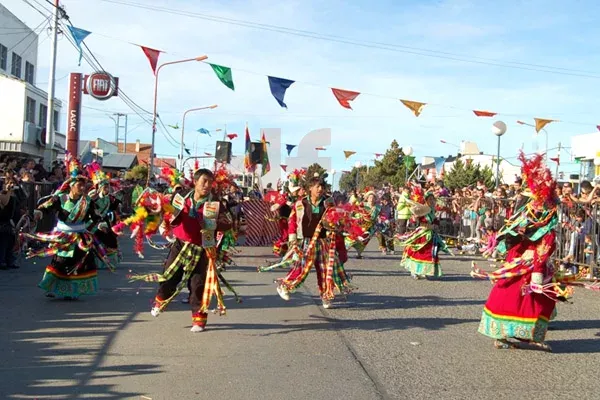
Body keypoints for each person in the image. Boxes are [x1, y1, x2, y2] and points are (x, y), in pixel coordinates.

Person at [471, 153, 582, 352]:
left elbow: (513, 245)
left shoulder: (523, 221)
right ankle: (523, 335)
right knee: (532, 300)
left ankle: (506, 336)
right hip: (529, 266)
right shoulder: (541, 228)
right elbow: (539, 250)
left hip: (520, 263)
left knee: (513, 297)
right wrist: (537, 274)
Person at [136, 169, 233, 332]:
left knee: (197, 284)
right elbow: (172, 220)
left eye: (210, 182)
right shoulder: (181, 198)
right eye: (204, 181)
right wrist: (167, 217)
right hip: (180, 245)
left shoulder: (215, 203)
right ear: (195, 182)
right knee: (169, 276)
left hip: (203, 247)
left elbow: (228, 223)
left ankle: (199, 321)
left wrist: (214, 224)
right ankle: (160, 301)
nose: (207, 185)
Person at [25, 154, 112, 299]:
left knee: (78, 263)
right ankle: (53, 287)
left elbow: (95, 215)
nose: (83, 187)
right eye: (79, 185)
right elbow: (46, 207)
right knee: (59, 262)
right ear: (71, 185)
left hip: (80, 237)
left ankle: (72, 291)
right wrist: (39, 212)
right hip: (63, 237)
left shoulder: (87, 201)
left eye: (84, 184)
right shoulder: (61, 198)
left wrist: (102, 223)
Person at [275, 174, 351, 309]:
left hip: (323, 241)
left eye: (322, 186)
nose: (320, 189)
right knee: (302, 267)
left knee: (324, 270)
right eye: (317, 186)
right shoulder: (300, 204)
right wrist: (292, 238)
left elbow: (337, 219)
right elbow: (292, 221)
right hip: (306, 241)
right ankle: (285, 286)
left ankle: (326, 296)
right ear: (310, 188)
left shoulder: (329, 203)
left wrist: (338, 224)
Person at [398, 187, 450, 279]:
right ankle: (414, 271)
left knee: (429, 253)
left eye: (432, 199)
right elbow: (419, 220)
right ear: (426, 200)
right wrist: (418, 217)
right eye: (429, 199)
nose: (432, 201)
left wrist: (436, 225)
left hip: (431, 234)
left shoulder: (433, 210)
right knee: (418, 252)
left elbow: (434, 220)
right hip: (422, 233)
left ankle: (425, 270)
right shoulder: (422, 209)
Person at [0, 178, 18, 269]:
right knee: (3, 241)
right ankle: (2, 261)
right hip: (2, 222)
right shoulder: (3, 195)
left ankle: (9, 260)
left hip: (7, 220)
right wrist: (8, 191)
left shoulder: (12, 194)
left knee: (10, 241)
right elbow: (5, 202)